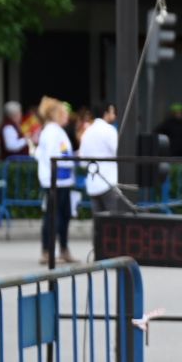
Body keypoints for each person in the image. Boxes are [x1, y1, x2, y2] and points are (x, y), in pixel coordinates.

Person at [34, 97, 77, 265]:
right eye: (63, 112)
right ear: (54, 114)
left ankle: (63, 249)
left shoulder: (56, 130)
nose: (67, 115)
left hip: (63, 180)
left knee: (63, 216)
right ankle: (47, 251)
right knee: (53, 217)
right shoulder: (52, 132)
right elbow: (52, 156)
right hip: (56, 181)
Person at [79, 103, 120, 215]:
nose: (114, 115)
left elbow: (82, 162)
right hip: (109, 182)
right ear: (106, 114)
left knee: (99, 225)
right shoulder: (110, 130)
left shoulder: (87, 132)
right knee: (114, 224)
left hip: (92, 184)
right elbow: (118, 153)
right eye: (112, 112)